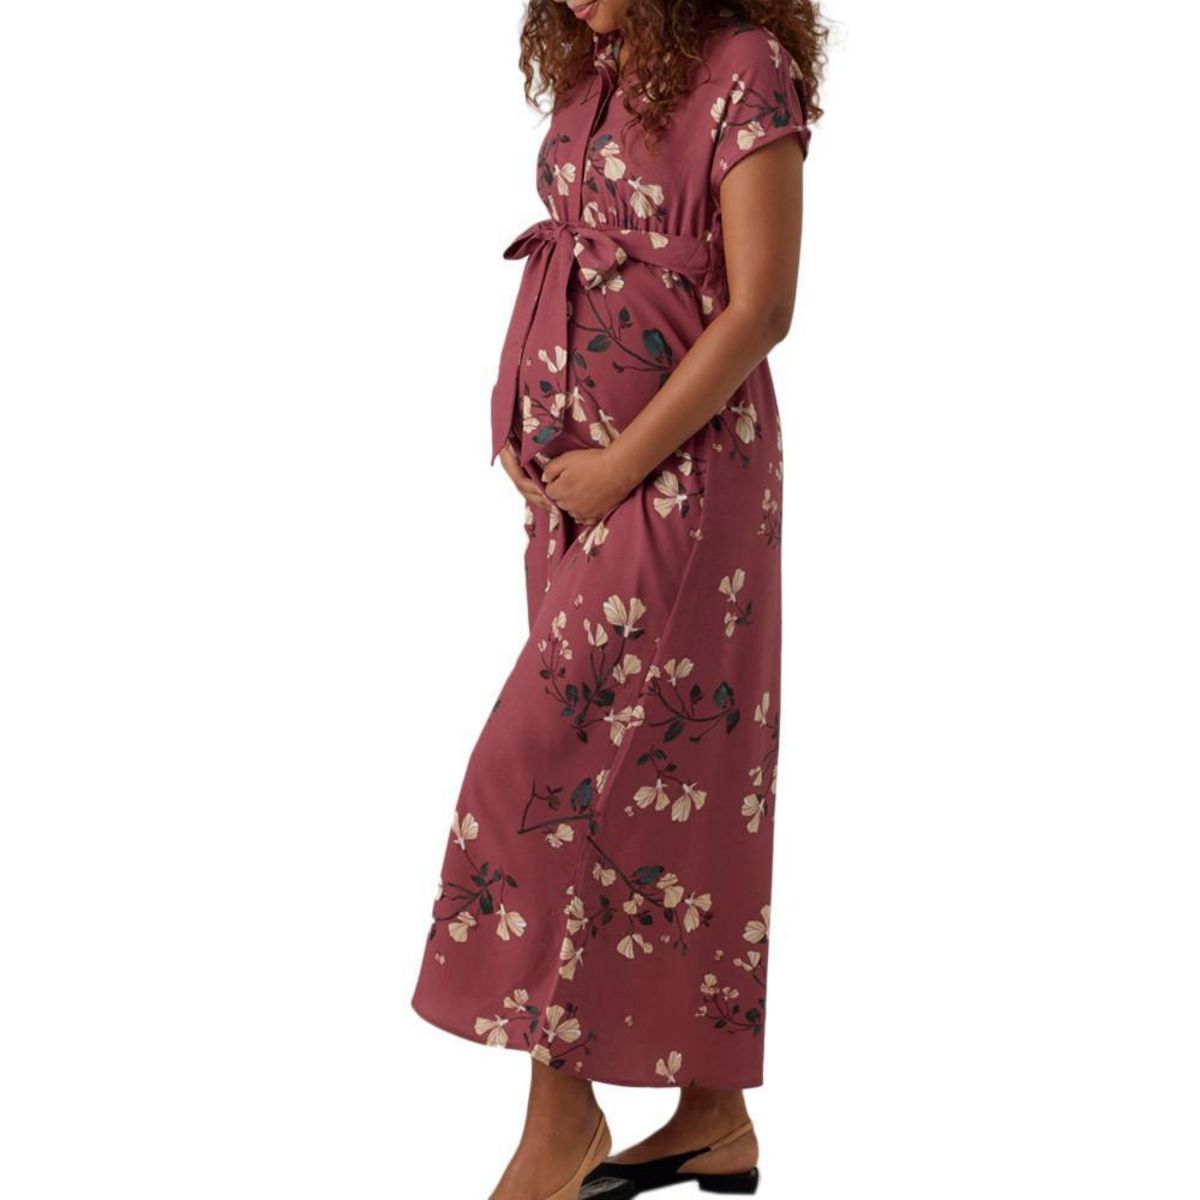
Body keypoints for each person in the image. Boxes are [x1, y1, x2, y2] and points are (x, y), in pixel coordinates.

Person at [411, 2, 827, 1196]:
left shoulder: (745, 70)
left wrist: (619, 465)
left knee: (546, 774)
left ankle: (561, 1127)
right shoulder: (600, 68)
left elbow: (762, 307)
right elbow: (577, 257)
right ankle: (714, 1115)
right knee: (651, 781)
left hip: (682, 487)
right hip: (575, 497)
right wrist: (517, 414)